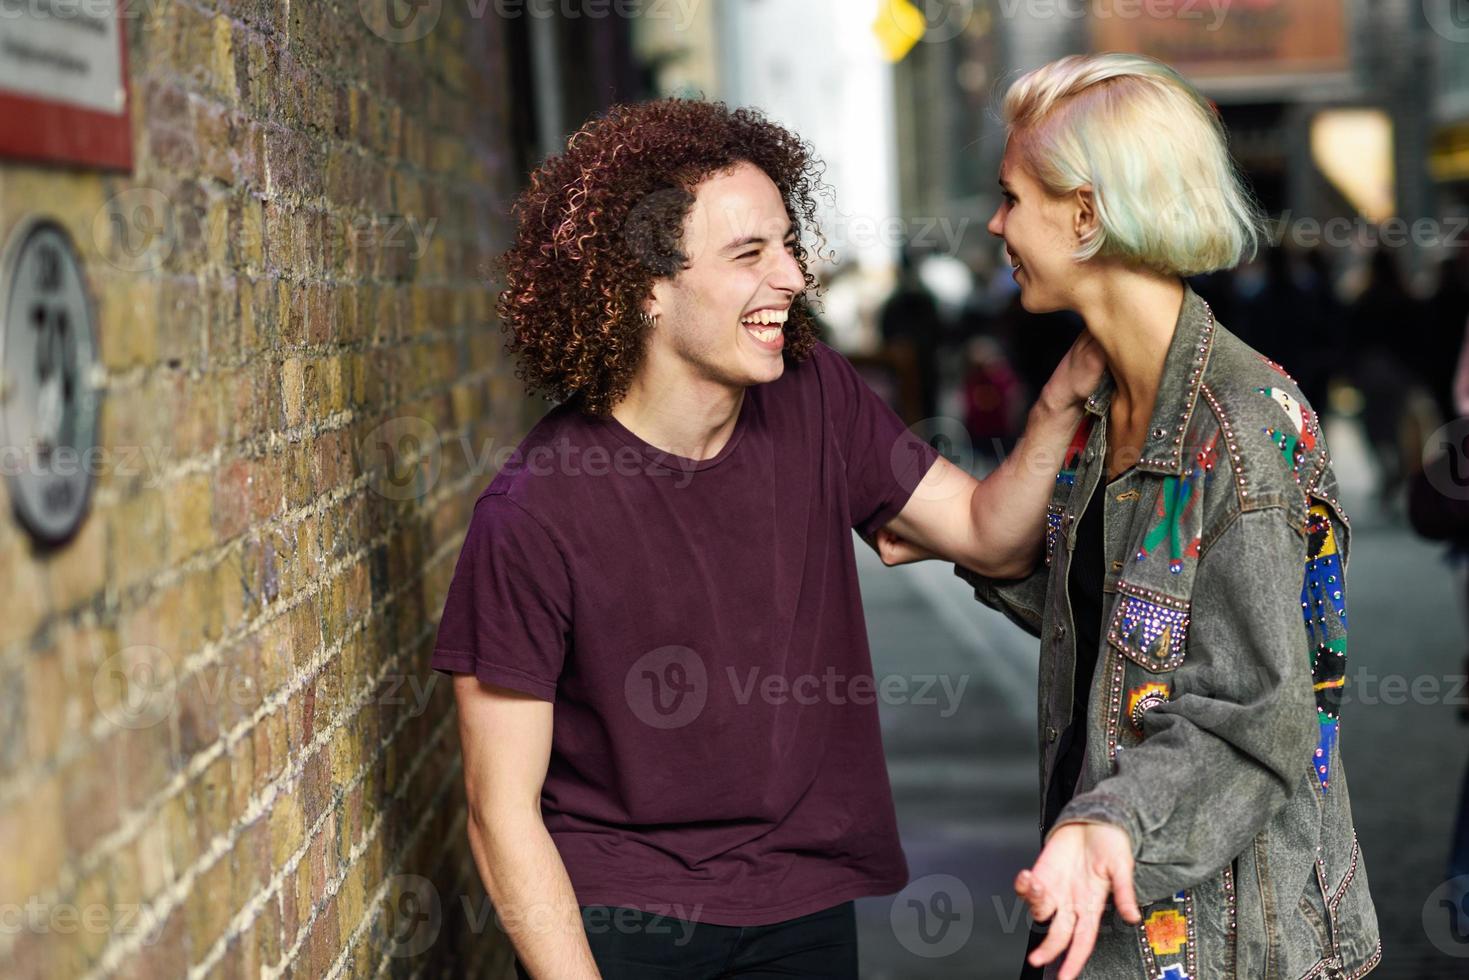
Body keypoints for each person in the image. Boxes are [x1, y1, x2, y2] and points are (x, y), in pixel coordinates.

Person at [428, 97, 1103, 979]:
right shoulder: (533, 511)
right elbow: (500, 811)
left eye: (787, 243)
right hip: (626, 920)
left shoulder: (813, 393)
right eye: (749, 254)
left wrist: (1062, 397)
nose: (791, 276)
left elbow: (989, 537)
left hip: (800, 903)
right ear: (643, 291)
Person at [878, 53, 1380, 979]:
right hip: (1101, 920)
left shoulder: (1239, 424)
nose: (995, 224)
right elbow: (1125, 620)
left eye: (1011, 198)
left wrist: (1103, 823)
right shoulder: (1107, 403)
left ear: (1084, 214)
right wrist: (979, 552)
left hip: (1228, 941)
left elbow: (1255, 715)